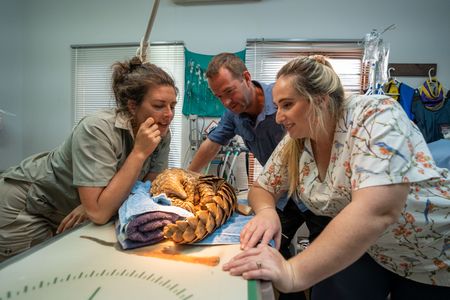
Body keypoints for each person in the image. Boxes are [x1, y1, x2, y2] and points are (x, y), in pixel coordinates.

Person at [222, 55, 450, 299]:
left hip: (429, 251)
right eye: (277, 107)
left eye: (287, 105)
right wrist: (267, 212)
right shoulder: (298, 140)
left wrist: (291, 272)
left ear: (320, 101)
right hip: (370, 248)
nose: (278, 117)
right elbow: (263, 187)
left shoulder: (375, 115)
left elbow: (376, 210)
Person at [0, 56, 178, 262]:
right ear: (132, 106)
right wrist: (139, 153)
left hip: (64, 208)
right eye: (159, 105)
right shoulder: (97, 129)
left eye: (172, 106)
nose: (168, 114)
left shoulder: (161, 132)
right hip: (26, 204)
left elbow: (145, 190)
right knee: (28, 275)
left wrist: (92, 203)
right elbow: (100, 213)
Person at [188, 53, 331, 300]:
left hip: (317, 192)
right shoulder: (234, 115)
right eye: (218, 96)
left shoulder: (284, 96)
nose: (225, 102)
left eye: (229, 91)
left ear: (246, 78)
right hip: (283, 196)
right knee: (270, 249)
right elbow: (212, 143)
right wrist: (188, 177)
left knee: (326, 264)